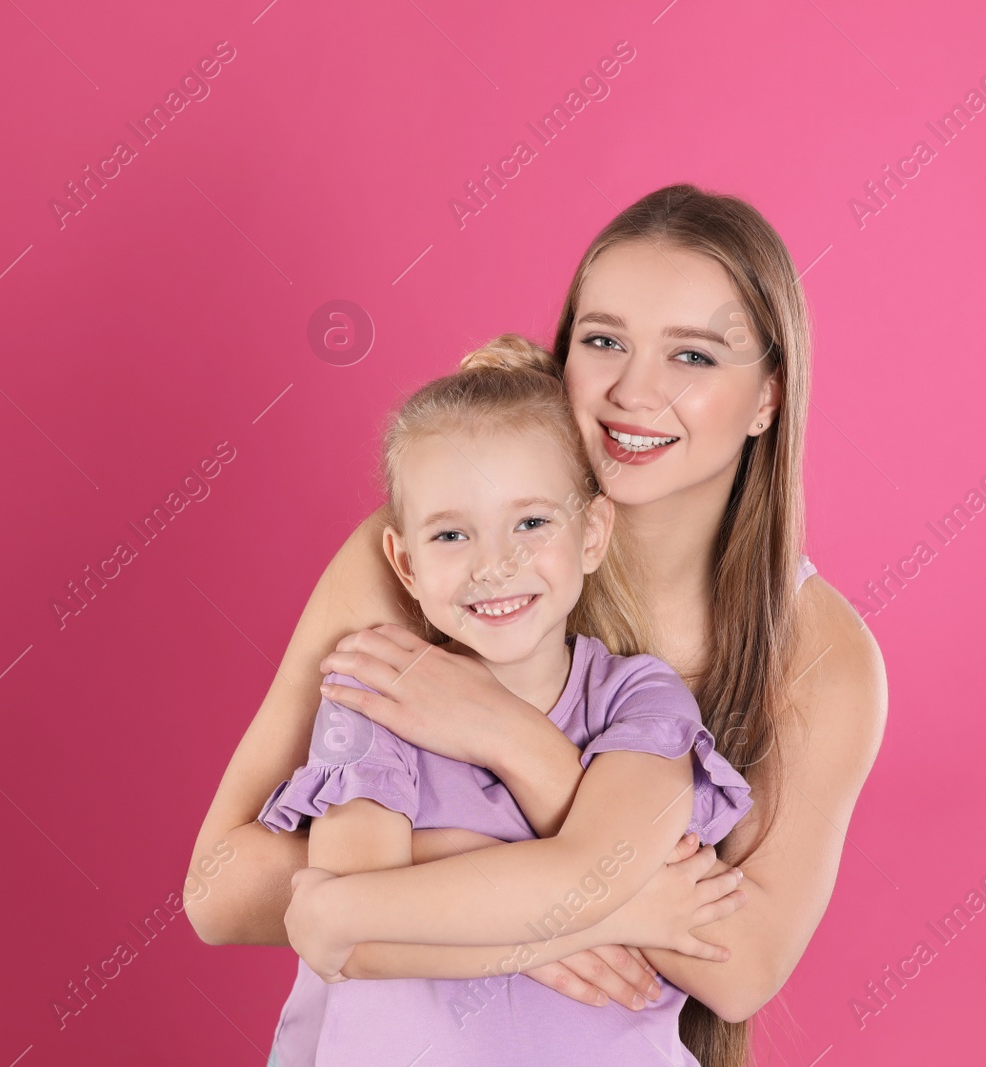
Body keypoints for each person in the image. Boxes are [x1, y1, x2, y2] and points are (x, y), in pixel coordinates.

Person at [186, 184, 888, 1067]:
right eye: (603, 341)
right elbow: (219, 887)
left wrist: (508, 736)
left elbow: (740, 962)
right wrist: (578, 907)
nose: (635, 390)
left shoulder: (823, 654)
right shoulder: (431, 560)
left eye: (695, 357)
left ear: (768, 398)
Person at [258, 334, 756, 1065]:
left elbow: (591, 865)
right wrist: (611, 916)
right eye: (453, 533)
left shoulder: (641, 700)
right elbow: (359, 943)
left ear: (591, 533)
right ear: (406, 562)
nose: (496, 564)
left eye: (531, 523)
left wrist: (354, 899)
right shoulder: (376, 698)